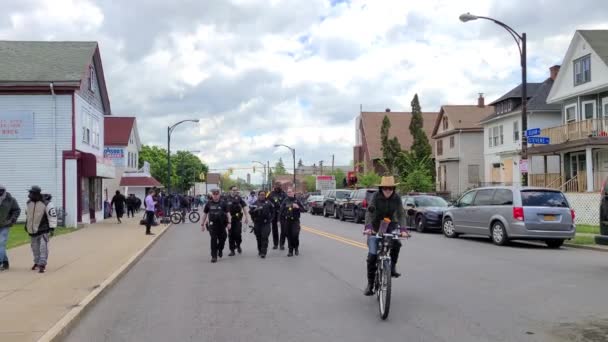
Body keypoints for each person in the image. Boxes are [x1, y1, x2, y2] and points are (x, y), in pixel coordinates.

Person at [362, 176, 410, 296]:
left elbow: (401, 214)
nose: (388, 190)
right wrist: (368, 228)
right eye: (385, 188)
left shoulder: (397, 198)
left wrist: (403, 229)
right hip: (375, 225)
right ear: (381, 188)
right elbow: (369, 211)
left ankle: (392, 267)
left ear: (393, 188)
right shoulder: (375, 197)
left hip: (390, 224)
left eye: (390, 188)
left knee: (397, 243)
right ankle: (370, 285)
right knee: (372, 256)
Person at [24, 186, 57, 273]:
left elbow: (52, 216)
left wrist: (52, 228)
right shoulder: (28, 203)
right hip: (32, 230)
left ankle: (42, 264)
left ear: (37, 194)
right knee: (34, 248)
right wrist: (26, 225)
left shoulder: (47, 204)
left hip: (44, 229)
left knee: (43, 247)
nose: (29, 195)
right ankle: (37, 262)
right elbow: (28, 215)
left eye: (31, 193)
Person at [201, 189, 231, 263]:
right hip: (212, 225)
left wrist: (229, 223)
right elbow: (204, 214)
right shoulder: (208, 204)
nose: (215, 196)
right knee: (213, 240)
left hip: (221, 225)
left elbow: (228, 214)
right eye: (214, 194)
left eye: (217, 194)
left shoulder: (223, 203)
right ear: (212, 195)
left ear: (219, 195)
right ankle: (214, 256)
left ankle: (220, 249)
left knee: (223, 238)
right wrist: (202, 224)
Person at [0, 184, 21, 272]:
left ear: (4, 190)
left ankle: (0, 262)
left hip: (5, 225)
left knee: (1, 243)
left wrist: (12, 220)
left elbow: (17, 210)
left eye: (1, 190)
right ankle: (5, 262)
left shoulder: (11, 200)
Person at [279, 188, 305, 257]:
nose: (289, 193)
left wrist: (298, 207)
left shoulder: (297, 200)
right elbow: (281, 211)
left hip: (295, 220)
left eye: (290, 192)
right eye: (288, 192)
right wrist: (279, 220)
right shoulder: (285, 200)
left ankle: (296, 248)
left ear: (293, 192)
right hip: (287, 220)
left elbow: (304, 209)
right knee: (289, 236)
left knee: (295, 235)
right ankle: (290, 251)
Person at [250, 190, 274, 258]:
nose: (262, 196)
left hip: (266, 223)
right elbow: (250, 212)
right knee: (259, 238)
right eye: (261, 195)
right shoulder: (255, 203)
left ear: (265, 195)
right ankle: (260, 250)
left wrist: (271, 219)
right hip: (257, 223)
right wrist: (255, 211)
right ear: (258, 195)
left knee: (265, 237)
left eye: (263, 195)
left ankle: (264, 252)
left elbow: (273, 212)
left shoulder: (269, 203)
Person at [226, 186, 250, 256]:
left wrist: (246, 217)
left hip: (237, 218)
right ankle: (232, 250)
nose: (235, 191)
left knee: (237, 234)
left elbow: (244, 207)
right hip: (229, 219)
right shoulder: (226, 198)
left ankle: (238, 245)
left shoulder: (239, 198)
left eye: (236, 190)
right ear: (230, 190)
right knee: (231, 235)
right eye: (233, 190)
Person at [268, 182, 287, 250]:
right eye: (276, 186)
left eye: (279, 186)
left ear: (280, 186)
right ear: (274, 186)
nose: (277, 187)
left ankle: (282, 244)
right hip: (274, 214)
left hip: (282, 214)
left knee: (283, 229)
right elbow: (267, 201)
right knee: (274, 229)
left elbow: (287, 202)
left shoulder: (284, 194)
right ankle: (275, 244)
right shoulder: (271, 194)